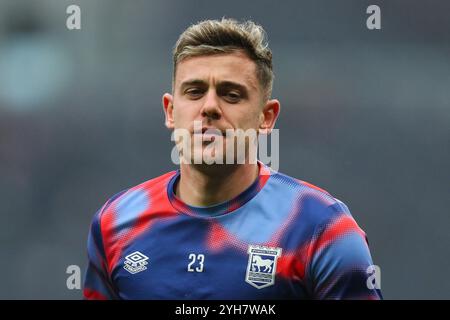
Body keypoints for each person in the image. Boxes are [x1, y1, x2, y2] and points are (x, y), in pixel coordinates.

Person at [83, 18, 382, 300]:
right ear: (171, 111)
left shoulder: (322, 229)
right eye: (195, 91)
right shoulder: (116, 224)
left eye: (231, 94)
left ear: (266, 118)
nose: (210, 107)